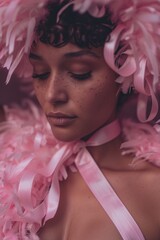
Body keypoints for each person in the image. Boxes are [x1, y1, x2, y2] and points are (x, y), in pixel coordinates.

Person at [0, 0, 160, 239]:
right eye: (40, 72)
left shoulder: (154, 191)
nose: (53, 95)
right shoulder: (9, 171)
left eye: (79, 72)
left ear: (125, 71)